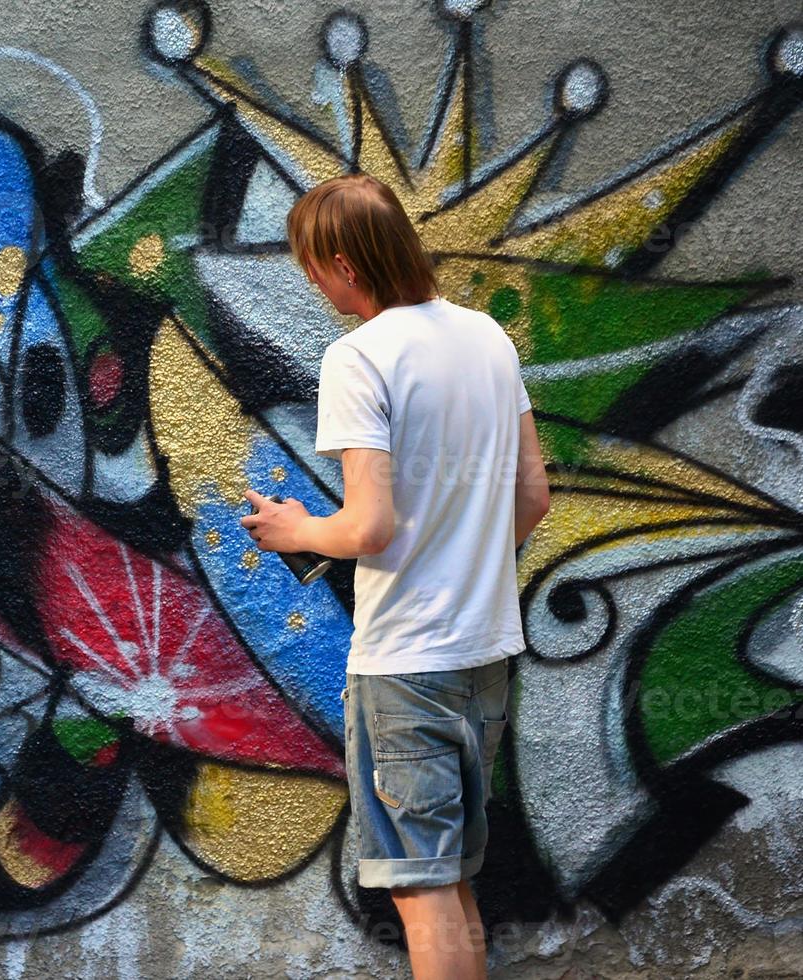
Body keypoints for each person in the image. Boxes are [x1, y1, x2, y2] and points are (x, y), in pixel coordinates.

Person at [240, 172, 551, 980]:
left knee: (420, 887)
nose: (310, 281)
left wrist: (293, 529)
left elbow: (367, 525)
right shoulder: (487, 338)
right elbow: (533, 495)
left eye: (311, 264)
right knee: (448, 878)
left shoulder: (357, 358)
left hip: (405, 661)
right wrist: (468, 562)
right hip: (483, 650)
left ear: (344, 264)